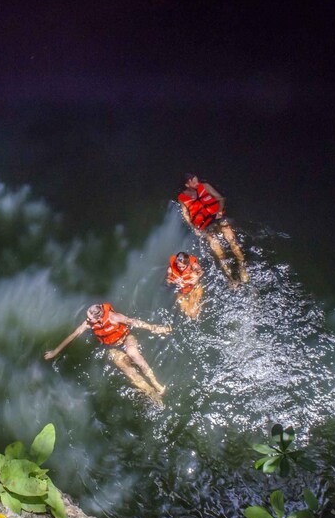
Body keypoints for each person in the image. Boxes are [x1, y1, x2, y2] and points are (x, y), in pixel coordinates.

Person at [43, 303, 171, 404]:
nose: (87, 319)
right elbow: (74, 335)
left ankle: (156, 383)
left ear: (98, 317)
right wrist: (55, 351)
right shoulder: (89, 324)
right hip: (112, 347)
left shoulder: (114, 317)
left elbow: (135, 322)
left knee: (132, 353)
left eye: (89, 317)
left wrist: (157, 328)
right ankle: (152, 394)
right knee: (129, 371)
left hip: (126, 339)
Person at [177, 173, 248, 285]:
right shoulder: (182, 198)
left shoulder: (204, 186)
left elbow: (221, 198)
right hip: (205, 225)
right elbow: (186, 214)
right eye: (194, 182)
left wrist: (219, 211)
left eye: (197, 180)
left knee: (232, 241)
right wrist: (194, 228)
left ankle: (242, 266)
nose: (197, 183)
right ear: (187, 184)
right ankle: (231, 278)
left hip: (218, 218)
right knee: (219, 252)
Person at [166, 251, 205, 319]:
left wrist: (196, 278)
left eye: (183, 267)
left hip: (194, 289)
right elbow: (168, 281)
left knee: (194, 314)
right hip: (181, 292)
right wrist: (174, 281)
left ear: (187, 264)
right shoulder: (170, 270)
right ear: (176, 262)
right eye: (179, 266)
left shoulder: (194, 266)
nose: (181, 269)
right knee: (187, 312)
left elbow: (201, 272)